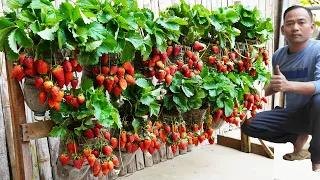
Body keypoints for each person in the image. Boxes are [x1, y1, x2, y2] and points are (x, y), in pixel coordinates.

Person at [241, 5, 320, 172]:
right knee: (248, 125)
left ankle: (317, 156)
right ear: (283, 29)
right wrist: (249, 95)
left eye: (301, 22)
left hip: (316, 114)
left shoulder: (318, 50)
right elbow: (274, 86)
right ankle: (297, 136)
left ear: (312, 28)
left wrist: (288, 85)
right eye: (290, 24)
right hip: (294, 114)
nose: (295, 28)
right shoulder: (279, 55)